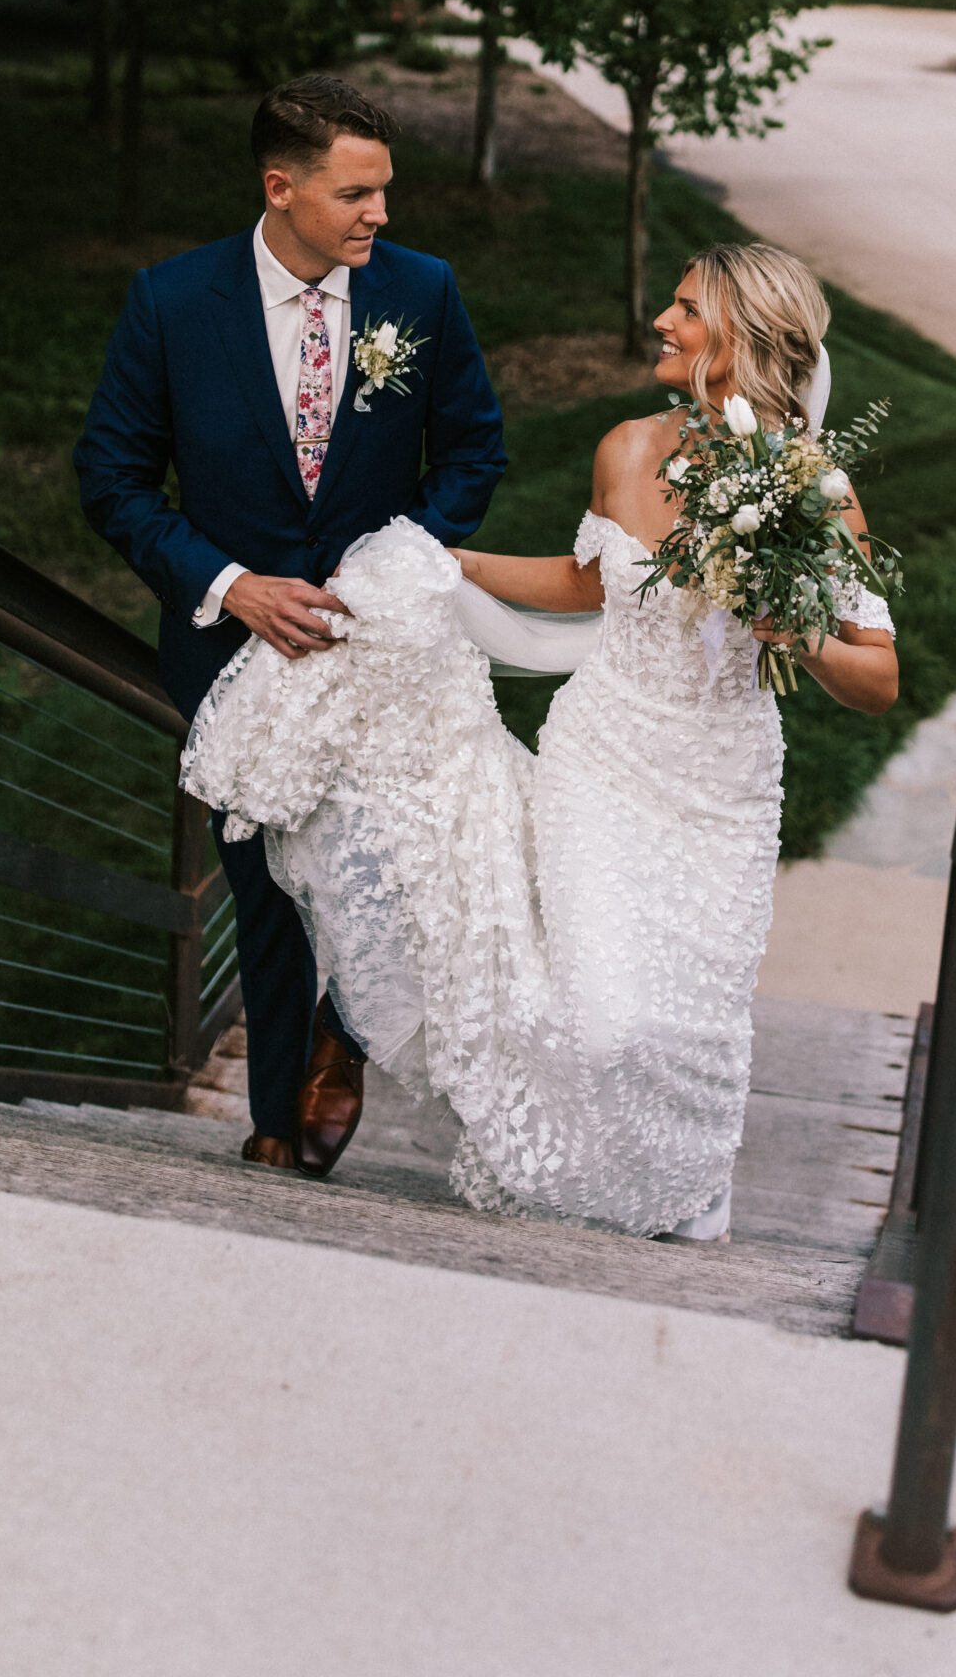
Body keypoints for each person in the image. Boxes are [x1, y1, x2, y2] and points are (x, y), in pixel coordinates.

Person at [181, 241, 897, 1243]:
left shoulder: (812, 490)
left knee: (683, 1010)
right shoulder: (628, 450)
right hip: (603, 755)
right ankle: (589, 1167)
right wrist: (450, 562)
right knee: (600, 1011)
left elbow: (878, 676)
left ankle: (689, 1177)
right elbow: (588, 581)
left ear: (742, 335)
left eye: (686, 309)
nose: (662, 321)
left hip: (722, 779)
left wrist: (798, 628)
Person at [74, 75, 507, 1176]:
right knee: (267, 887)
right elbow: (113, 478)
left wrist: (396, 567)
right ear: (281, 187)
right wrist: (228, 583)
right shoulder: (172, 304)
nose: (381, 215)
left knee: (393, 861)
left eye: (385, 192)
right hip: (237, 648)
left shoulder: (422, 291)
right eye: (357, 194)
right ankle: (277, 1114)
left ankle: (346, 1035)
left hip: (384, 647)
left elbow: (472, 449)